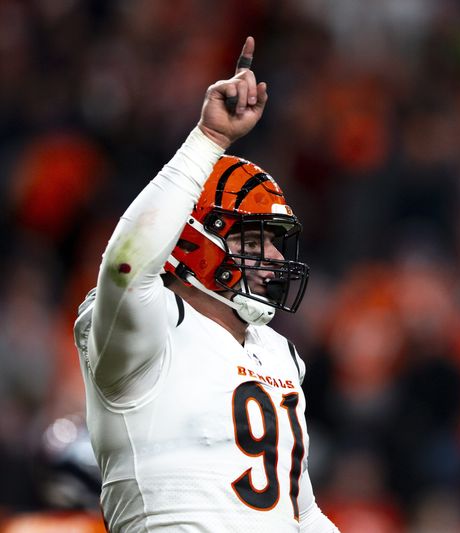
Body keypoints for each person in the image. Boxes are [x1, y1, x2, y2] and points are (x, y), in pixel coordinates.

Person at [73, 36, 339, 532]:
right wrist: (208, 139)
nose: (275, 258)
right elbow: (126, 264)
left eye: (275, 242)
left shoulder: (278, 352)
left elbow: (303, 513)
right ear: (196, 240)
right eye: (255, 240)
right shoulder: (150, 327)